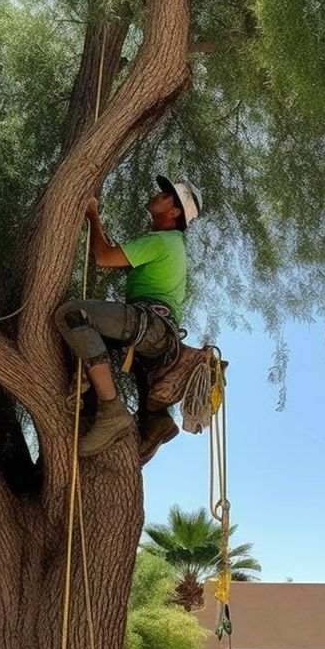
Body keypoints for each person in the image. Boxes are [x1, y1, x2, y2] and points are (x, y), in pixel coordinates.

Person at [54, 175, 202, 458]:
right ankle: (155, 420)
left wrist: (93, 215)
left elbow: (104, 257)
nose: (159, 194)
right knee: (85, 341)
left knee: (72, 315)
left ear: (174, 213)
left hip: (150, 325)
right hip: (156, 332)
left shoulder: (162, 241)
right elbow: (114, 254)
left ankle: (111, 411)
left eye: (167, 195)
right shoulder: (169, 244)